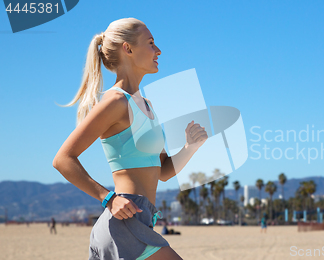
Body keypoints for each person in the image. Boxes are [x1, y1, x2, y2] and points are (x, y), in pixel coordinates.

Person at [52, 18, 208, 260]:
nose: (158, 50)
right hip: (123, 221)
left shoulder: (147, 106)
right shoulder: (115, 102)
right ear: (128, 48)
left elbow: (163, 171)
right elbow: (63, 159)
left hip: (142, 220)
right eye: (151, 43)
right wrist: (108, 199)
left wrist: (190, 147)